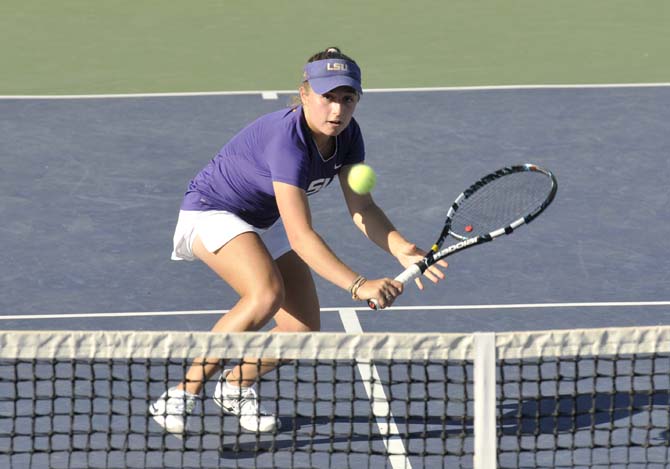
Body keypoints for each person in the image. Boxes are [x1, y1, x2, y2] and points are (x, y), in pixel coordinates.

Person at [150, 47, 448, 435]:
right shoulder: (286, 141)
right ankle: (181, 394)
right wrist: (358, 285)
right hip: (213, 210)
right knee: (265, 295)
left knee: (302, 329)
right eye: (328, 97)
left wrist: (400, 246)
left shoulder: (348, 137)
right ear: (304, 94)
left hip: (263, 217)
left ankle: (236, 385)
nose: (337, 111)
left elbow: (363, 208)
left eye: (347, 99)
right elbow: (302, 236)